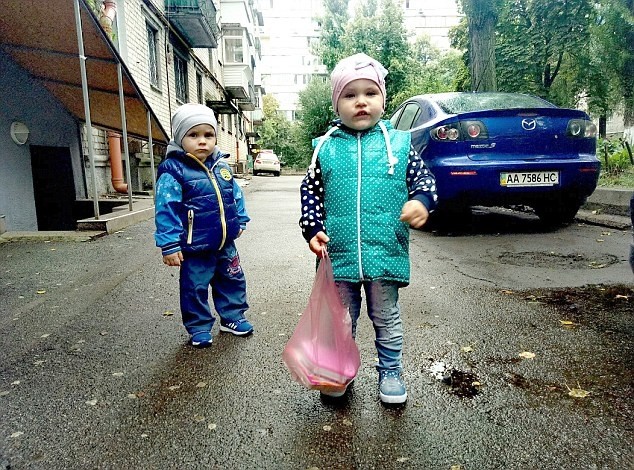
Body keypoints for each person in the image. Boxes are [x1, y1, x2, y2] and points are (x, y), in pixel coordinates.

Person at [299, 53, 438, 405]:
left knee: (386, 317)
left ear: (382, 100)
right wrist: (312, 228)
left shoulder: (399, 145)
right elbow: (310, 192)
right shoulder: (326, 148)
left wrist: (422, 202)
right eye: (350, 95)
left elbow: (425, 181)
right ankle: (338, 371)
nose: (361, 101)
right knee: (341, 320)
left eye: (370, 93)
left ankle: (390, 371)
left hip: (384, 250)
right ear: (337, 104)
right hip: (339, 252)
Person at [155, 103, 253, 348]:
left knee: (232, 279)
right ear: (180, 137)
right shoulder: (174, 170)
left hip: (224, 242)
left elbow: (235, 194)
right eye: (193, 135)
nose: (202, 141)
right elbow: (166, 208)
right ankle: (198, 326)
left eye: (208, 135)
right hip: (194, 245)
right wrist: (169, 244)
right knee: (194, 287)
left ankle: (232, 317)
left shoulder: (221, 165)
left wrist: (240, 218)